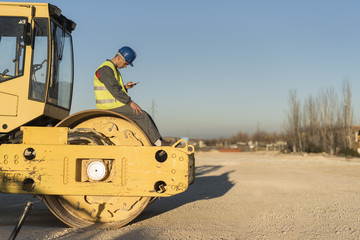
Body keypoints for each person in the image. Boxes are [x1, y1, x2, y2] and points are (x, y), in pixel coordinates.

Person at [94, 46, 164, 146]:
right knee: (141, 115)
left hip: (114, 105)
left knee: (144, 115)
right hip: (109, 107)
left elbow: (112, 89)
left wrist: (125, 87)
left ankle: (156, 141)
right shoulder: (106, 69)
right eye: (126, 63)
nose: (125, 66)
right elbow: (114, 90)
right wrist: (130, 102)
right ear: (119, 58)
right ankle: (158, 145)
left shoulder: (112, 69)